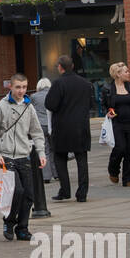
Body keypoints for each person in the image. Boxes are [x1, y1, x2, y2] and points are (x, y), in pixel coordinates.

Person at [0, 73, 47, 241]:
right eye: (18, 87)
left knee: (29, 194)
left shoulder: (29, 107)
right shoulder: (1, 106)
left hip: (23, 155)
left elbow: (36, 132)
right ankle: (9, 221)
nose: (21, 91)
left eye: (24, 87)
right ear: (11, 87)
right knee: (16, 191)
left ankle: (22, 228)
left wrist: (41, 152)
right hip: (6, 156)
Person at [47, 55, 95, 202]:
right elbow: (92, 105)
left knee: (60, 158)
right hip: (81, 126)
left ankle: (65, 190)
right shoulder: (86, 83)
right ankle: (82, 193)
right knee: (82, 159)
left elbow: (50, 104)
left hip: (62, 127)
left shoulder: (58, 84)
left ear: (60, 67)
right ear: (72, 66)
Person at [103, 62, 130, 187]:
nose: (128, 73)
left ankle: (129, 178)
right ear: (118, 74)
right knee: (120, 148)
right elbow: (105, 105)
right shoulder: (108, 89)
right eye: (126, 71)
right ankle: (113, 170)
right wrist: (109, 112)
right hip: (117, 124)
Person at [32, 77, 55, 183]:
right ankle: (57, 173)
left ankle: (46, 176)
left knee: (44, 149)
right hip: (52, 124)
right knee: (53, 150)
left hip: (40, 125)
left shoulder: (34, 96)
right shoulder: (53, 94)